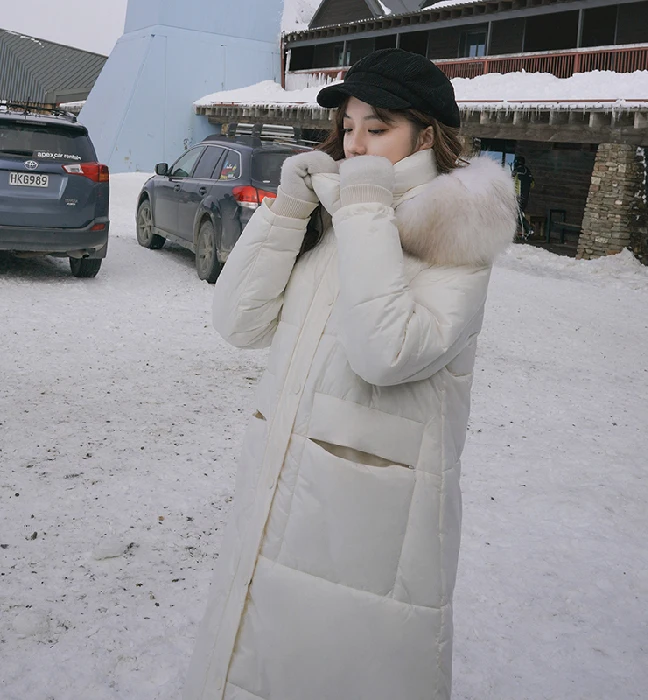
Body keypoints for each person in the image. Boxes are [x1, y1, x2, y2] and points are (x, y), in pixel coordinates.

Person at [184, 48, 517, 700]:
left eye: (378, 126)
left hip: (370, 528)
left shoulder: (456, 229)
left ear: (426, 135)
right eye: (349, 126)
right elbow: (237, 323)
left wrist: (363, 205)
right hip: (280, 495)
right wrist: (286, 212)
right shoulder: (335, 211)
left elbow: (384, 351)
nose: (356, 142)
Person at [512, 155, 535, 238]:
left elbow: (512, 182)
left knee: (516, 214)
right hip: (526, 197)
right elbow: (532, 184)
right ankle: (526, 230)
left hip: (518, 197)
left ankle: (528, 229)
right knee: (518, 213)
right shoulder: (527, 171)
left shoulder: (517, 171)